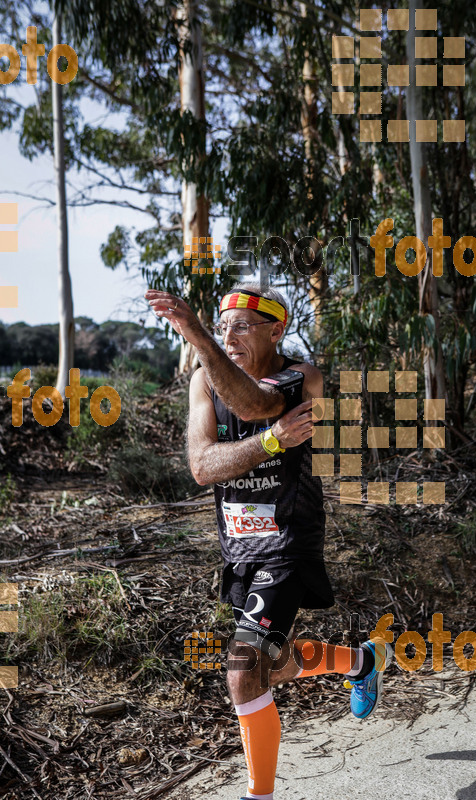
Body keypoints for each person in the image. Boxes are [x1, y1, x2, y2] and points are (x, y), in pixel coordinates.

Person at [145, 282, 393, 800]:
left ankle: (260, 796)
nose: (228, 335)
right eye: (221, 325)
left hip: (288, 544)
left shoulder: (303, 376)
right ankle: (363, 661)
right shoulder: (202, 382)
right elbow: (201, 465)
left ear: (276, 330)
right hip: (238, 551)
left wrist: (194, 333)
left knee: (241, 669)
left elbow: (256, 402)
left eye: (241, 326)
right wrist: (275, 441)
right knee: (267, 666)